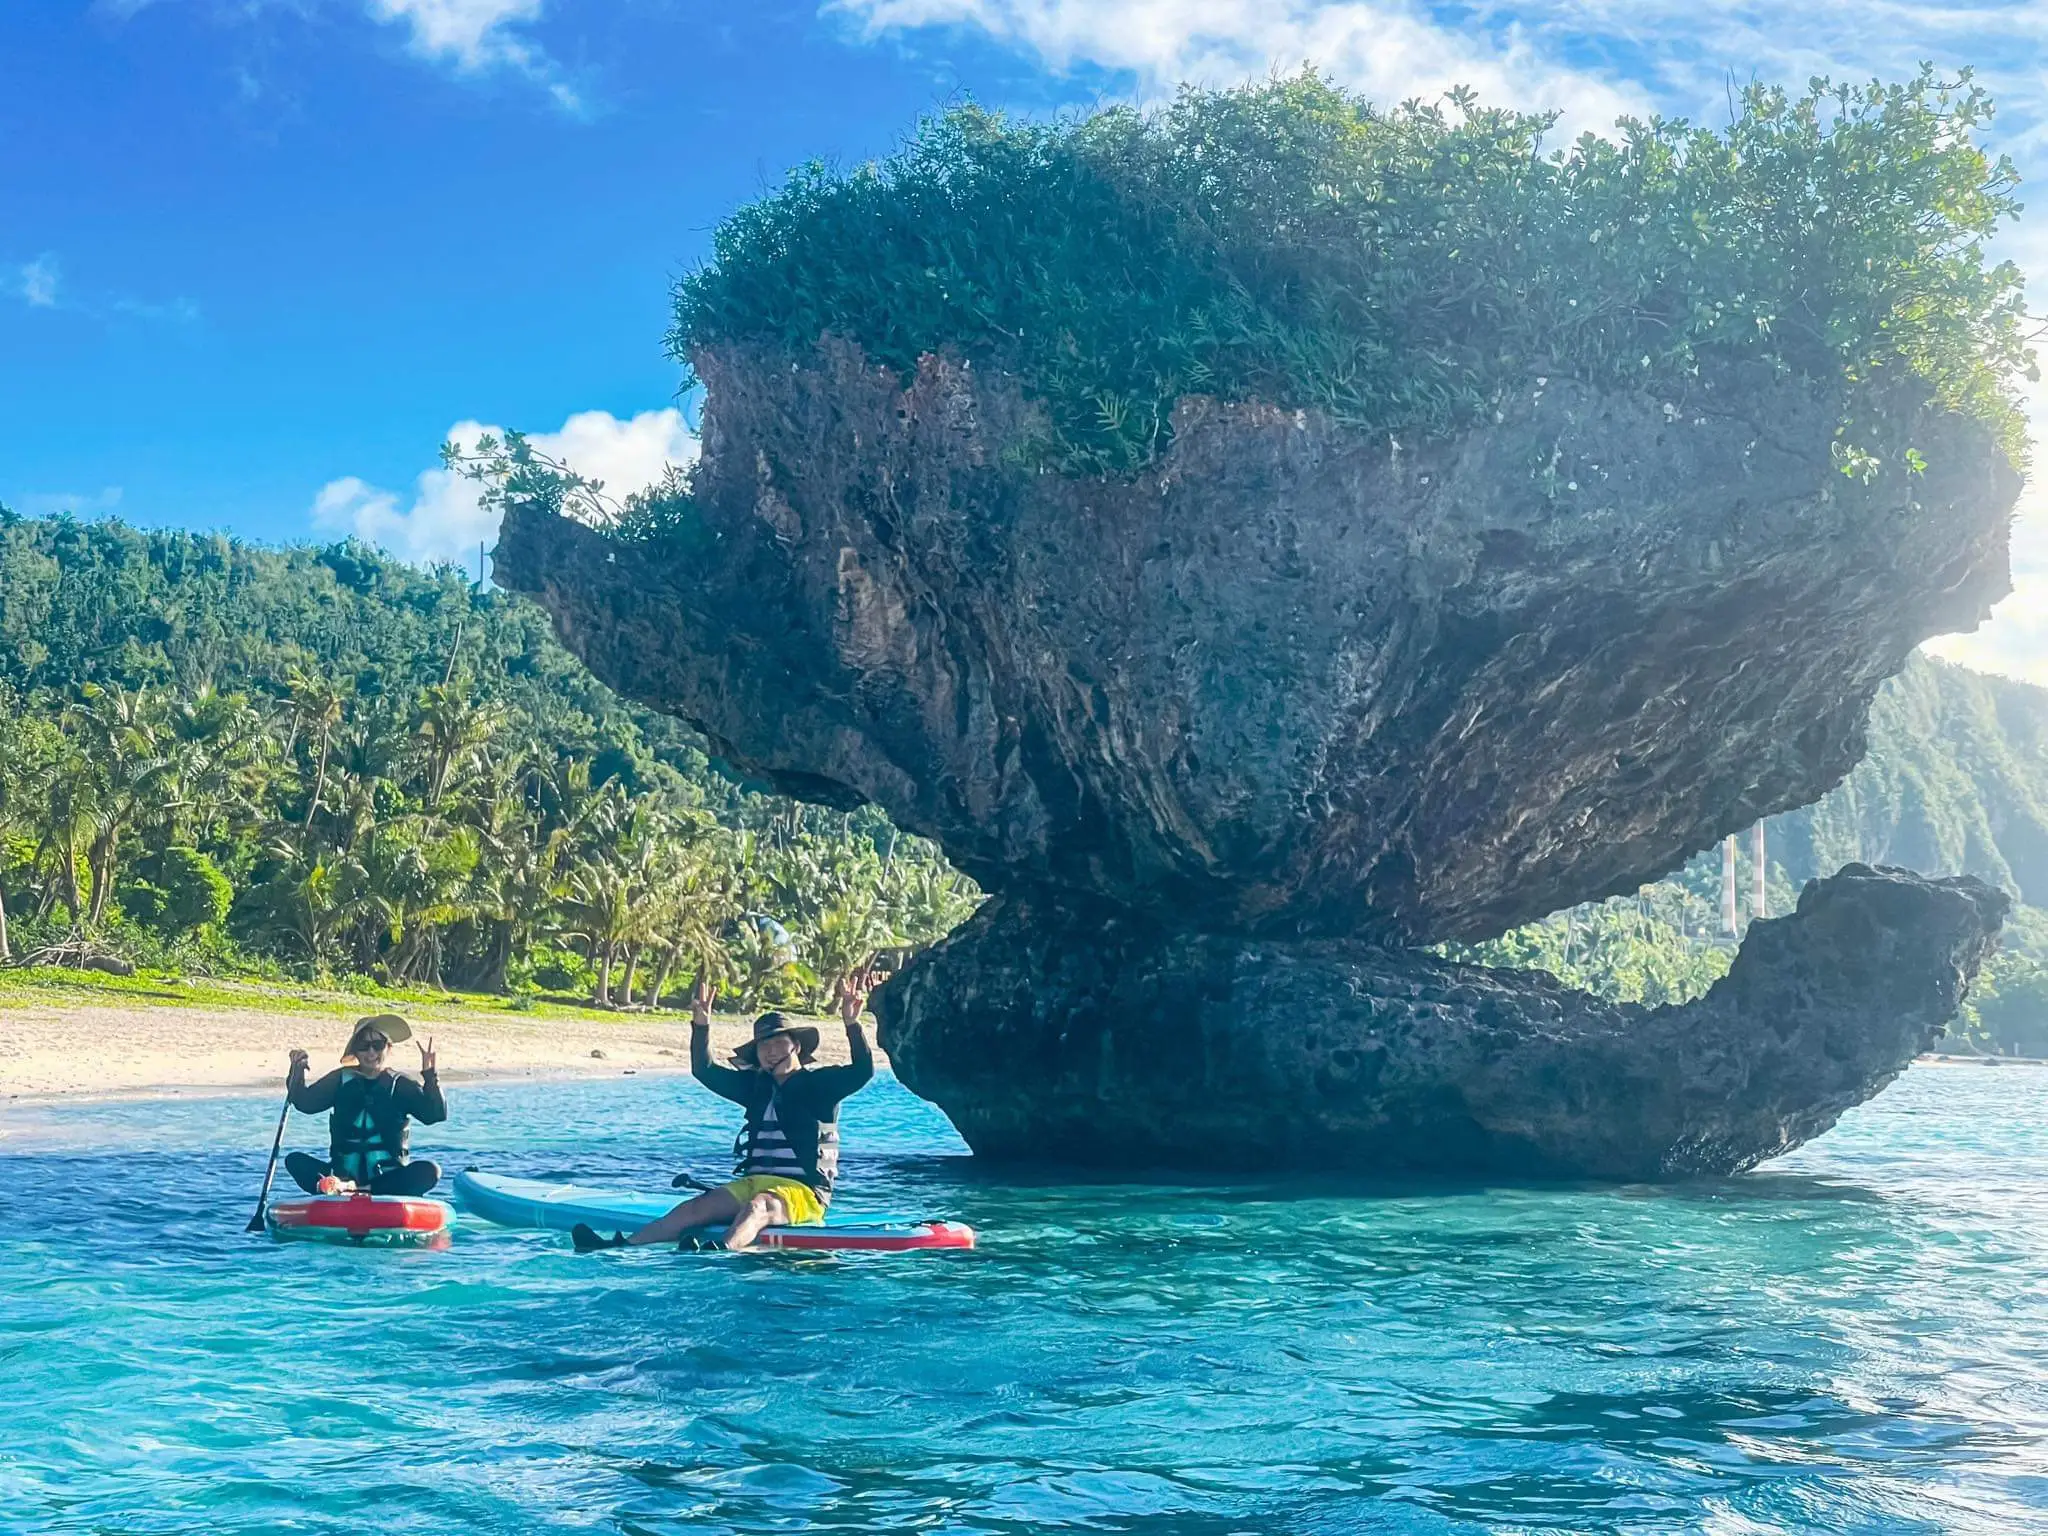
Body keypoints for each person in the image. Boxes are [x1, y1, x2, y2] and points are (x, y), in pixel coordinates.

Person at [574, 969, 876, 1253]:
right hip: (753, 1182)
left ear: (795, 1046)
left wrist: (852, 1024)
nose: (770, 1050)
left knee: (758, 1207)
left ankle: (721, 1254)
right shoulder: (754, 1088)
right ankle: (622, 1248)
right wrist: (702, 1025)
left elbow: (863, 1070)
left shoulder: (821, 1085)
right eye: (763, 1045)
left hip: (804, 1193)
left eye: (777, 1042)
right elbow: (704, 1070)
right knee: (694, 1208)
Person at [284, 1014, 448, 1197]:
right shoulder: (340, 1080)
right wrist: (297, 1069)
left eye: (378, 1046)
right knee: (294, 1160)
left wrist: (430, 1075)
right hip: (339, 1178)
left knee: (430, 1171)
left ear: (388, 1048)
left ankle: (357, 1190)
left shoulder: (400, 1084)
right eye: (363, 1046)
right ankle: (332, 1187)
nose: (371, 1053)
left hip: (387, 1179)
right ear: (355, 1051)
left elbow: (435, 1115)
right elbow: (305, 1102)